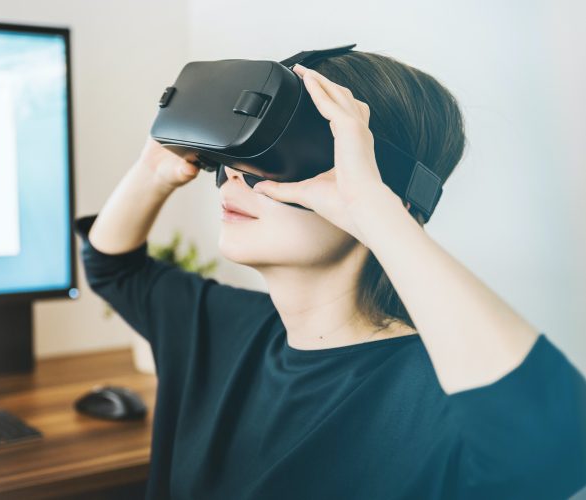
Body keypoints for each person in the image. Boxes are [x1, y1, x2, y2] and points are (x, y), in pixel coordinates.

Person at [72, 50, 586, 499]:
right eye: (238, 154)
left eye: (274, 158)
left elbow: (557, 446)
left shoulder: (435, 397)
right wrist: (155, 170)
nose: (235, 176)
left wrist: (374, 209)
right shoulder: (221, 329)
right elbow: (113, 268)